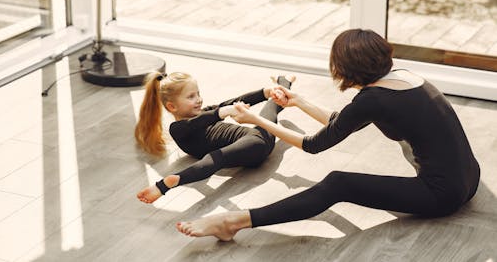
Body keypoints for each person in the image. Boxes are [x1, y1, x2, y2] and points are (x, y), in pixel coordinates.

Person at [175, 28, 480, 241]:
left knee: (338, 184)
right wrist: (297, 102)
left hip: (443, 195)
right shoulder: (402, 80)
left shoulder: (373, 99)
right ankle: (236, 221)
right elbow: (341, 123)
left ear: (344, 68)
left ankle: (233, 221)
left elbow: (314, 145)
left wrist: (257, 119)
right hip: (468, 180)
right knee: (347, 183)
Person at [135, 71, 295, 203]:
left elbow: (233, 102)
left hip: (255, 141)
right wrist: (224, 112)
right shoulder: (178, 129)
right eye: (191, 97)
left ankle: (280, 85)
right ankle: (168, 183)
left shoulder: (206, 112)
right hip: (251, 148)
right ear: (172, 106)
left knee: (270, 110)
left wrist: (265, 93)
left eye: (198, 94)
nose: (198, 99)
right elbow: (198, 122)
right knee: (215, 158)